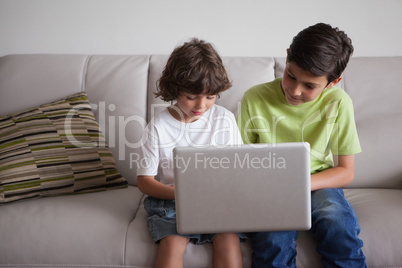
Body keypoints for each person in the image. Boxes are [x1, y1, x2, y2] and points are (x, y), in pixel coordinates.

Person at [237, 23, 366, 267]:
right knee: (273, 238)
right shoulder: (254, 97)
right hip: (270, 185)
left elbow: (346, 171)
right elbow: (241, 160)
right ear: (287, 57)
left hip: (318, 181)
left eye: (309, 86)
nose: (294, 91)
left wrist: (300, 183)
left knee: (336, 220)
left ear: (333, 82)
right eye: (291, 76)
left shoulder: (339, 103)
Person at [137, 38, 246, 268]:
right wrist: (176, 193)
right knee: (172, 244)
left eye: (210, 96)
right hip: (173, 200)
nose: (201, 106)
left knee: (228, 241)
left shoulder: (224, 119)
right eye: (191, 97)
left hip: (218, 202)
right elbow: (144, 182)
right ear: (175, 90)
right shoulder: (158, 125)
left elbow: (238, 170)